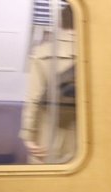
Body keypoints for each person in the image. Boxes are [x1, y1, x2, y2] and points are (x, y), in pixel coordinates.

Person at [19, 5, 76, 164]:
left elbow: (34, 98)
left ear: (60, 23)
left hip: (48, 136)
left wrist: (28, 135)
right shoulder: (96, 54)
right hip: (85, 138)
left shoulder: (43, 53)